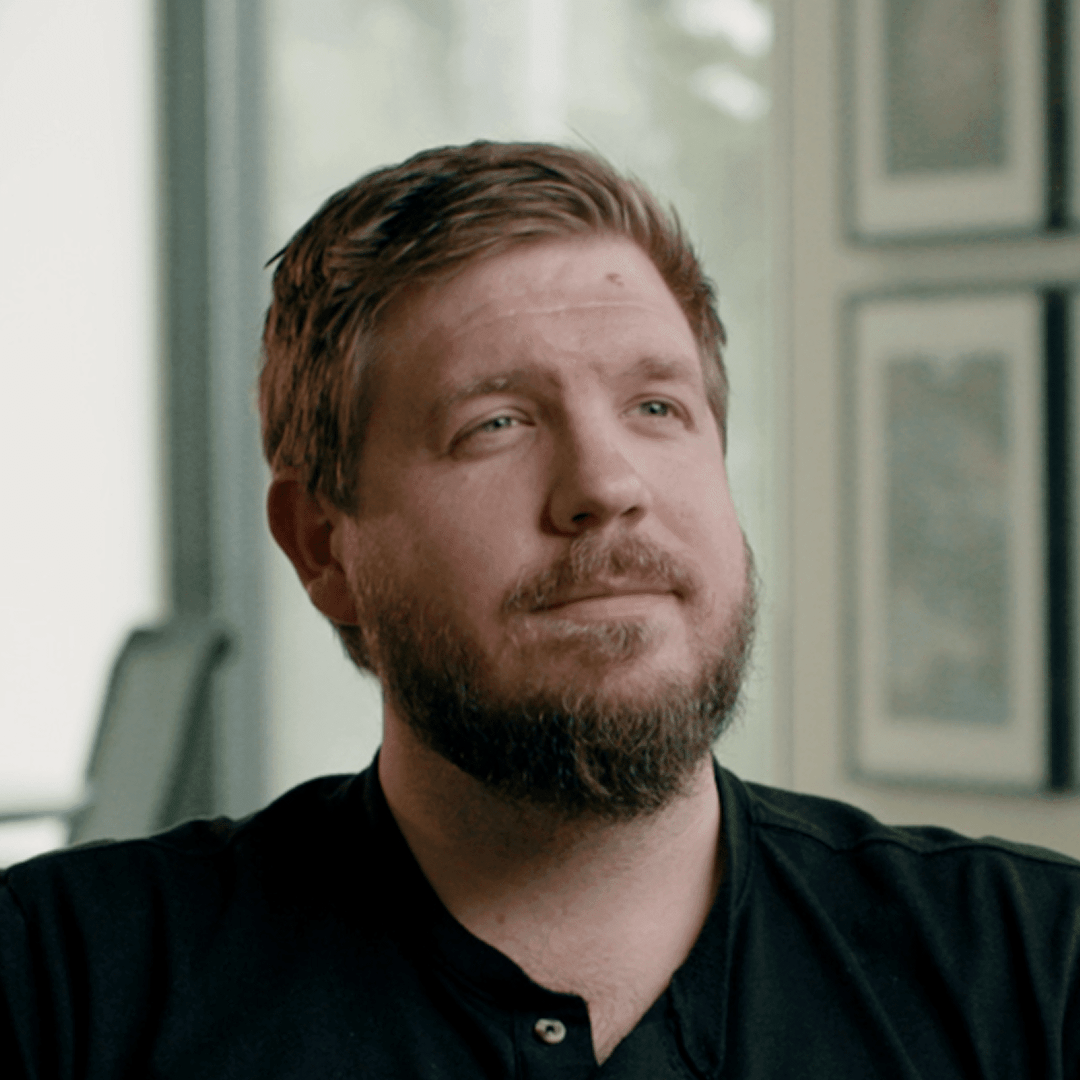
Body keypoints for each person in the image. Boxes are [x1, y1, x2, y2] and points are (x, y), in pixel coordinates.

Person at [1, 141, 1078, 1078]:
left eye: (658, 406)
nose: (607, 484)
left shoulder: (1038, 971)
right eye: (498, 423)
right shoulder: (56, 993)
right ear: (322, 545)